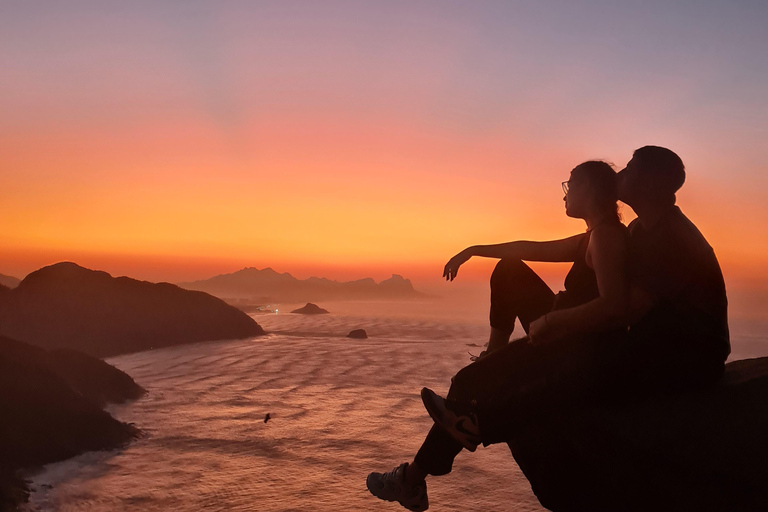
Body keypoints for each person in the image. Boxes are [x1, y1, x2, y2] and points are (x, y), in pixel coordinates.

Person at [366, 160, 630, 511]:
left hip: (576, 341)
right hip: (567, 329)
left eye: (570, 185)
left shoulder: (608, 237)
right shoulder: (594, 235)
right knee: (509, 270)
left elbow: (615, 307)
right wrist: (474, 250)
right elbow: (527, 248)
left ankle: (413, 479)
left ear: (590, 190)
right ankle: (489, 363)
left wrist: (553, 324)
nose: (565, 194)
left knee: (467, 383)